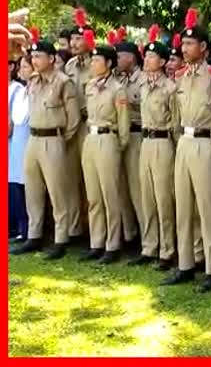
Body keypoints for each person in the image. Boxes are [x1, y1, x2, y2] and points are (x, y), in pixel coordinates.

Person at [162, 8, 211, 292]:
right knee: (184, 207)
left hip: (206, 142)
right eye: (183, 43)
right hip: (185, 143)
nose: (184, 47)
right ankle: (186, 264)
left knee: (208, 207)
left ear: (203, 48)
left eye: (190, 44)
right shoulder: (179, 76)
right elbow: (176, 113)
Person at [12, 31, 80, 259]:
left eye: (39, 57)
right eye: (33, 57)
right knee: (33, 189)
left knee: (57, 191)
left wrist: (61, 138)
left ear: (51, 58)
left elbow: (73, 119)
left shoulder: (63, 82)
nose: (34, 61)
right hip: (34, 138)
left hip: (53, 138)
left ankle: (61, 238)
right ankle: (34, 235)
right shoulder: (32, 80)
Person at [80, 31, 131, 264]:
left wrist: (118, 145)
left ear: (109, 63)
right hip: (90, 139)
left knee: (110, 194)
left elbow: (123, 122)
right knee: (93, 195)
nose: (93, 63)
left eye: (97, 60)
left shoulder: (117, 89)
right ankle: (96, 242)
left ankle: (113, 244)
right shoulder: (89, 86)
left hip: (108, 138)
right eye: (92, 60)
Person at [131, 26, 179, 270]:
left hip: (163, 142)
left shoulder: (170, 88)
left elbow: (176, 123)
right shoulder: (142, 86)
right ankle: (149, 246)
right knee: (146, 197)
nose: (147, 59)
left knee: (163, 198)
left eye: (152, 57)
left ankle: (167, 249)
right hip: (145, 142)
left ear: (162, 61)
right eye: (146, 56)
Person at [64, 8, 94, 243]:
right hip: (71, 127)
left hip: (91, 126)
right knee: (71, 178)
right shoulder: (70, 66)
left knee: (93, 179)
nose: (74, 43)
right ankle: (75, 230)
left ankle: (96, 233)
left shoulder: (98, 64)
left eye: (78, 38)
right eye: (72, 38)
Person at [114, 35, 145, 250]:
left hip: (137, 135)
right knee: (122, 187)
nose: (116, 59)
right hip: (120, 135)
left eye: (119, 56)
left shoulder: (143, 79)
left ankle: (146, 235)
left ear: (131, 58)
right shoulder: (120, 80)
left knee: (137, 188)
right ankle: (129, 234)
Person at [8, 57, 30, 244]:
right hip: (14, 144)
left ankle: (24, 228)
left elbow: (11, 124)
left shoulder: (18, 90)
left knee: (20, 186)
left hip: (21, 142)